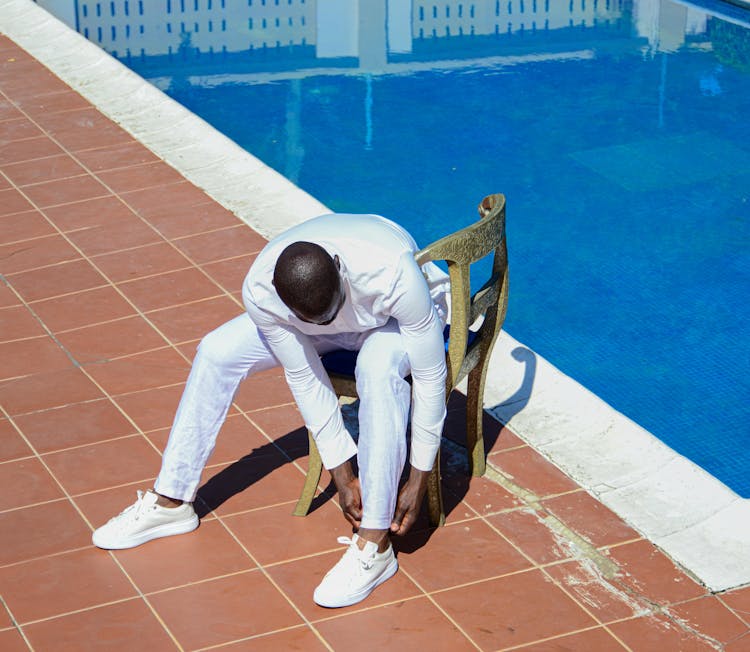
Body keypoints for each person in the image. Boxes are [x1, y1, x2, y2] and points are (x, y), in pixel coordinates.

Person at [92, 212, 449, 608]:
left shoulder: (393, 274)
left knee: (376, 368)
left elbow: (432, 375)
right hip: (314, 323)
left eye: (332, 312)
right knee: (216, 352)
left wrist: (419, 475)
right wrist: (342, 472)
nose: (330, 322)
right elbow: (304, 376)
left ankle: (375, 542)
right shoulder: (263, 290)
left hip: (388, 322)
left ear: (337, 268)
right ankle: (171, 501)